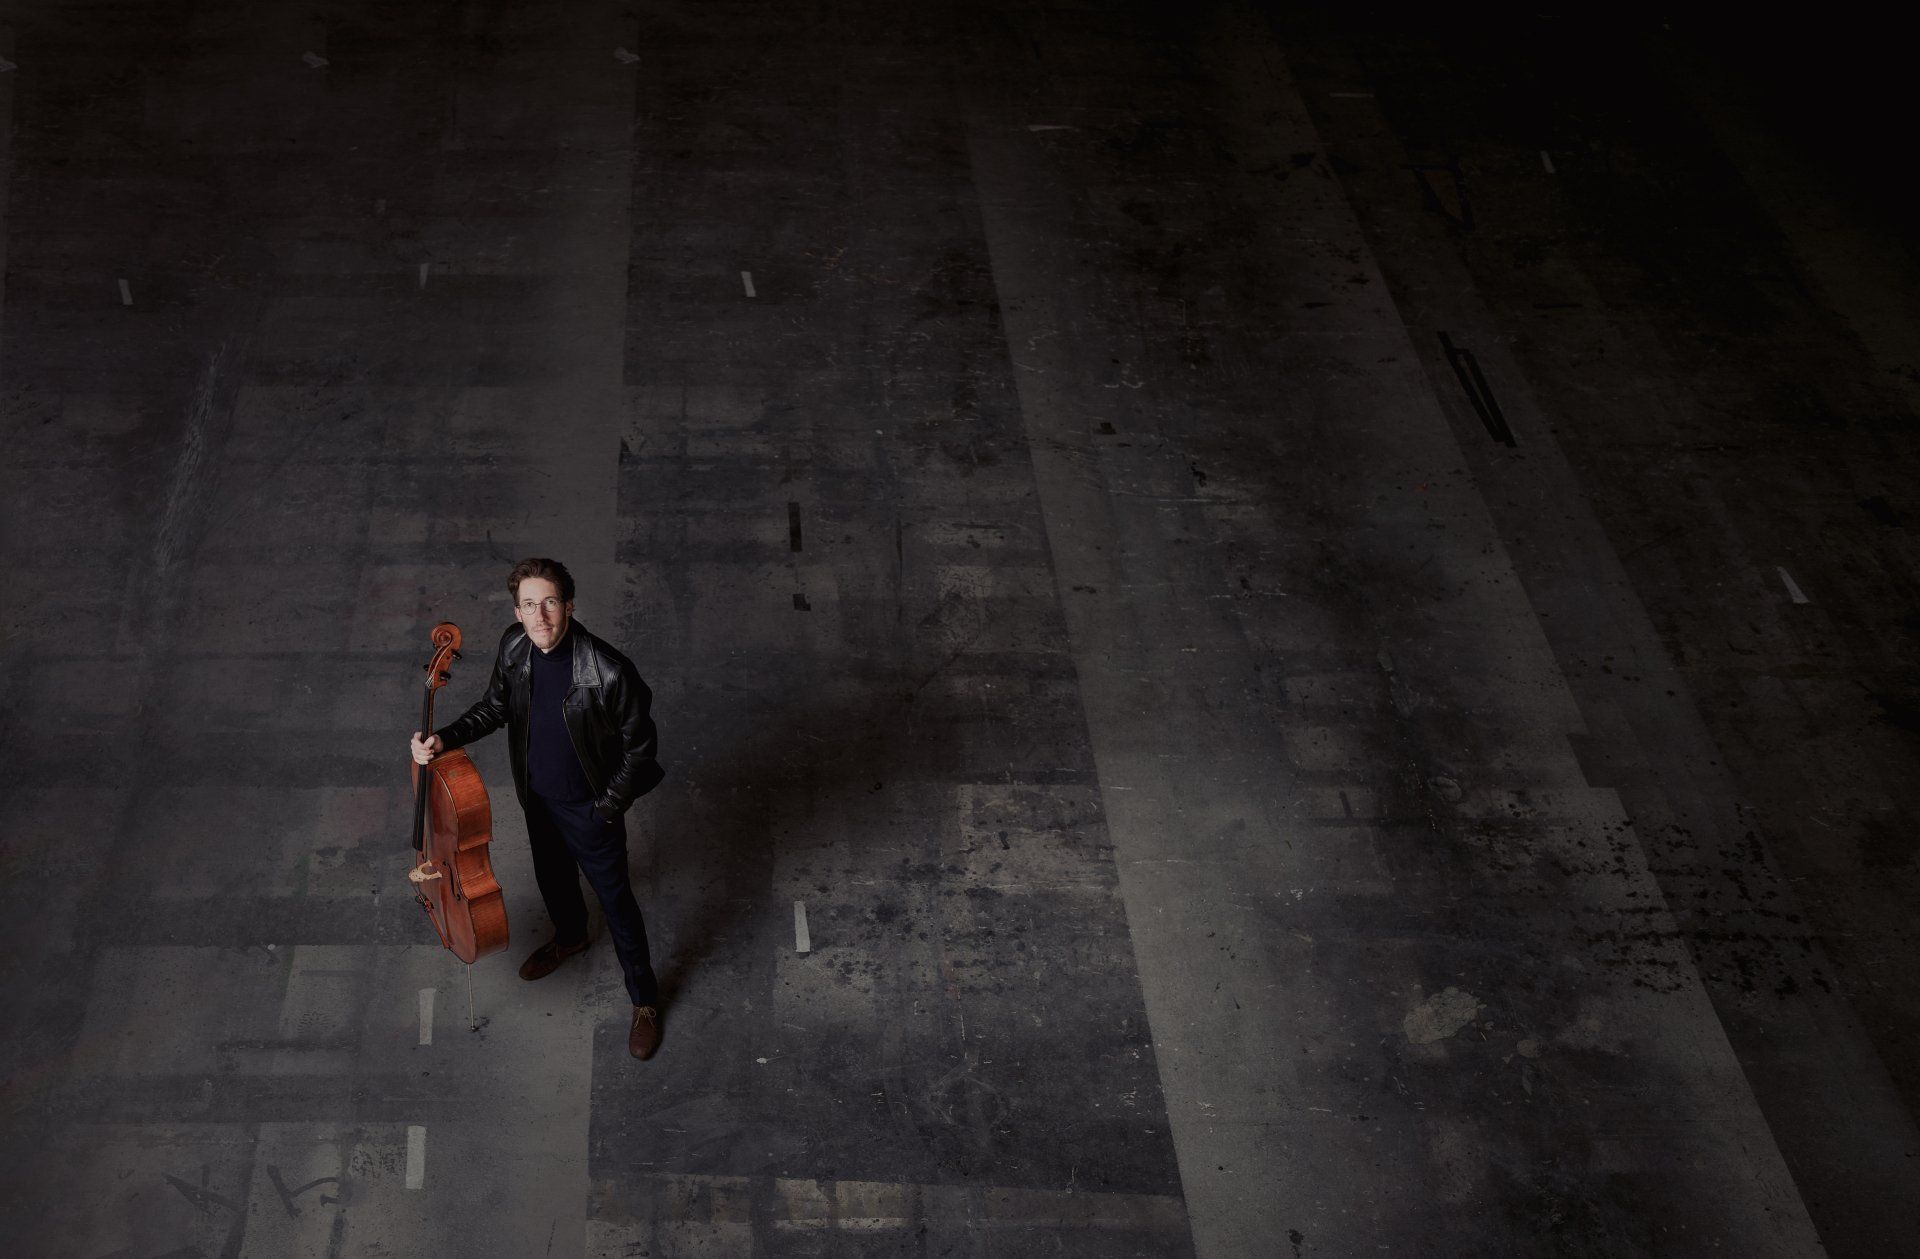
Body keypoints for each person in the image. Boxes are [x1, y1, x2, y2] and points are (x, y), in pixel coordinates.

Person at [410, 557, 667, 1059]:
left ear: (568, 606)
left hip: (590, 808)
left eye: (549, 602)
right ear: (517, 611)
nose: (540, 616)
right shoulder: (515, 647)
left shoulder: (610, 671)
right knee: (553, 879)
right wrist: (444, 738)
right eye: (529, 605)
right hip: (538, 799)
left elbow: (641, 752)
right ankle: (570, 938)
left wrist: (606, 809)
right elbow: (495, 707)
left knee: (617, 906)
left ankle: (644, 1001)